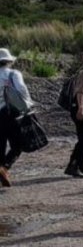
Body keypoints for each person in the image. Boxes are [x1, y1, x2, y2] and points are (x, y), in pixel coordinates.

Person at [0, 48, 33, 187]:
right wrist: (28, 105)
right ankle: (5, 167)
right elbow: (21, 89)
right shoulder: (13, 74)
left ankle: (2, 170)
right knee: (17, 145)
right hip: (10, 113)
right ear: (8, 61)